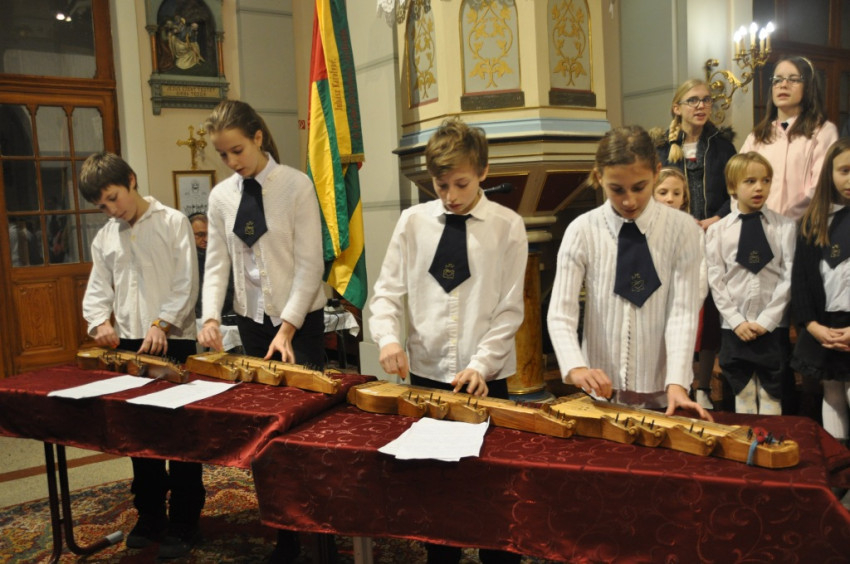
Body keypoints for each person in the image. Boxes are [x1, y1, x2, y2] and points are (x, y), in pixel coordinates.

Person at [369, 117, 528, 563]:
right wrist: (388, 338)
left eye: (461, 184)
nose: (451, 196)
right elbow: (387, 292)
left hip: (486, 378)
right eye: (441, 186)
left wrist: (482, 364)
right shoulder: (412, 222)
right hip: (428, 373)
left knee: (491, 486)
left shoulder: (507, 226)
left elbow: (509, 309)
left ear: (483, 171)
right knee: (437, 490)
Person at [198, 99, 327, 563]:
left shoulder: (295, 185)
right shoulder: (221, 197)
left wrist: (288, 327)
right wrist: (210, 317)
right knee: (265, 433)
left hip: (299, 324)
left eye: (237, 150)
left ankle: (319, 525)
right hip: (253, 325)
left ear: (257, 137)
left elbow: (311, 264)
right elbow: (217, 263)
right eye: (223, 155)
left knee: (304, 430)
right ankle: (283, 532)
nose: (232, 161)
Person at [79, 152, 203, 559]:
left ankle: (185, 518)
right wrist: (100, 321)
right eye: (102, 206)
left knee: (178, 433)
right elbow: (98, 288)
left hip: (173, 340)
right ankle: (149, 514)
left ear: (131, 180)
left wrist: (161, 323)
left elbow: (186, 282)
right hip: (130, 345)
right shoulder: (106, 237)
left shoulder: (173, 222)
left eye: (114, 198)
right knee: (140, 433)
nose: (112, 210)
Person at [547, 126, 711, 420]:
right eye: (617, 189)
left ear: (657, 172)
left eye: (639, 187)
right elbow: (561, 311)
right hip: (600, 386)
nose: (629, 201)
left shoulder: (683, 230)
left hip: (663, 387)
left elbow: (682, 312)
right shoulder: (582, 230)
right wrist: (575, 366)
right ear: (599, 177)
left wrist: (677, 381)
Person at [655, 79, 737, 412]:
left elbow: (734, 191)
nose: (701, 106)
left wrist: (714, 219)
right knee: (676, 310)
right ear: (677, 108)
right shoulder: (661, 149)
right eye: (693, 100)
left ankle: (703, 385)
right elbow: (655, 193)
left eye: (706, 100)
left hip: (713, 235)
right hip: (672, 239)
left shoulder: (723, 147)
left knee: (709, 315)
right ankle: (678, 382)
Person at [706, 153, 795, 415]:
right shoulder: (718, 231)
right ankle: (748, 441)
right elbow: (716, 280)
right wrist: (736, 320)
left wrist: (768, 320)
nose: (759, 188)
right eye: (750, 181)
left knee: (771, 394)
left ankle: (771, 440)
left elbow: (788, 276)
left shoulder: (784, 227)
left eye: (765, 180)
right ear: (732, 186)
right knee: (743, 394)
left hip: (772, 327)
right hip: (734, 328)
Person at [791, 137, 850, 444]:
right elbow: (800, 281)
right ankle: (839, 460)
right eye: (844, 170)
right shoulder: (813, 222)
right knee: (832, 392)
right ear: (830, 173)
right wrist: (812, 325)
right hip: (825, 325)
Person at [740, 55, 839, 221]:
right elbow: (739, 181)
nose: (783, 85)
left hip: (804, 225)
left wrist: (785, 223)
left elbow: (821, 186)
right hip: (759, 224)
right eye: (777, 80)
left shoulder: (823, 131)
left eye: (793, 79)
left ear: (808, 87)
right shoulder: (757, 135)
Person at [189, 212, 234, 321]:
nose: (207, 240)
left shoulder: (226, 259)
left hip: (226, 320)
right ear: (188, 234)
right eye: (200, 235)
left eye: (210, 235)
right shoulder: (182, 262)